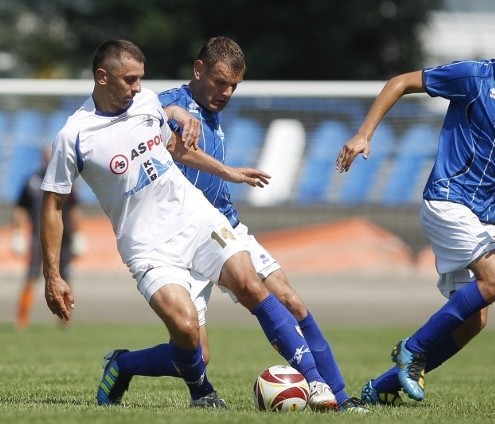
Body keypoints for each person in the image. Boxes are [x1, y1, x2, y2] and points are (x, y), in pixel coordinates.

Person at [41, 39, 338, 411]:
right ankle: (135, 368)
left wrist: (227, 172)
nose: (137, 87)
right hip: (147, 247)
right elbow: (52, 205)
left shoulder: (147, 103)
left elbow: (177, 149)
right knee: (187, 334)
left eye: (140, 79)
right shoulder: (75, 135)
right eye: (130, 80)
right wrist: (52, 274)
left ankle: (317, 384)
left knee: (250, 283)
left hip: (195, 219)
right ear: (102, 77)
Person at [335, 14, 495, 405]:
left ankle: (380, 389)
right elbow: (401, 82)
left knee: (475, 320)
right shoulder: (472, 77)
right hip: (447, 199)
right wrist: (363, 133)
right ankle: (412, 349)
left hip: (482, 215)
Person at [158, 36, 368, 414]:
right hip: (181, 239)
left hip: (225, 226)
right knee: (196, 354)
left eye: (234, 86)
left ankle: (335, 393)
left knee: (291, 300)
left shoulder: (211, 110)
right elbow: (156, 116)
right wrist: (176, 112)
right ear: (198, 70)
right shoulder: (170, 104)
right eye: (220, 82)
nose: (227, 92)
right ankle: (122, 365)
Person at [11, 146, 82, 329]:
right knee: (31, 277)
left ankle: (64, 320)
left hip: (63, 239)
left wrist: (78, 234)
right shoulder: (31, 181)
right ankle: (22, 319)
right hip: (37, 237)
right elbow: (20, 208)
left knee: (65, 277)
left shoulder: (66, 180)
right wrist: (18, 233)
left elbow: (74, 210)